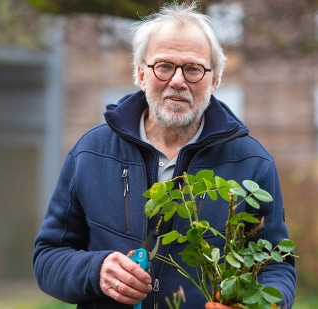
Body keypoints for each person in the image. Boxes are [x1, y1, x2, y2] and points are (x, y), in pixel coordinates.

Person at [32, 1, 297, 308]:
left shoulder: (251, 163)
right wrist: (97, 271)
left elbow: (276, 266)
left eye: (193, 68)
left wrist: (257, 306)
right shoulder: (91, 153)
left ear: (214, 80)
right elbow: (48, 257)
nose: (178, 81)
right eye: (164, 66)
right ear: (141, 74)